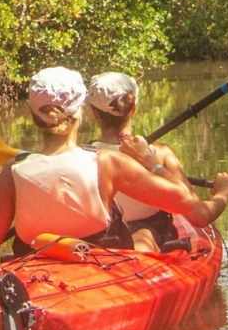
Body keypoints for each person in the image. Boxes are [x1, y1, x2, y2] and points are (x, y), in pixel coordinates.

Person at [0, 66, 228, 270]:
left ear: (31, 113)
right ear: (80, 111)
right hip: (101, 271)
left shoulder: (12, 171)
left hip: (37, 276)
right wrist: (223, 193)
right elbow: (197, 213)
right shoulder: (106, 162)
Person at [86, 71, 204, 252]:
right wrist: (224, 192)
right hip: (151, 235)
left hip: (104, 237)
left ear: (93, 113)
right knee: (145, 235)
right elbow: (195, 210)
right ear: (133, 109)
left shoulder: (81, 155)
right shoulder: (161, 153)